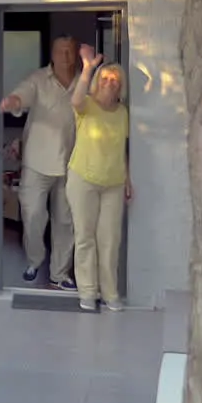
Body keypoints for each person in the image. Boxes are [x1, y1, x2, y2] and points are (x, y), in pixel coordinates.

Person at [0, 35, 82, 290]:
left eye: (69, 51)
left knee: (65, 221)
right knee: (33, 214)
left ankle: (59, 273)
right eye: (60, 51)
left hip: (72, 162)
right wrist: (13, 101)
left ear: (76, 53)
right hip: (36, 161)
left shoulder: (84, 81)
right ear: (52, 54)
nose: (65, 56)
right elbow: (22, 95)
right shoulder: (38, 79)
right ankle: (34, 261)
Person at [66, 45, 133, 312]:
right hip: (83, 179)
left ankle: (110, 292)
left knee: (110, 240)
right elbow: (75, 100)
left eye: (114, 80)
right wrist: (87, 68)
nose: (109, 83)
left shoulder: (122, 113)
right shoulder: (87, 105)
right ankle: (87, 292)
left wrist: (128, 179)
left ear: (120, 86)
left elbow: (122, 149)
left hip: (113, 183)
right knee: (85, 237)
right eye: (104, 79)